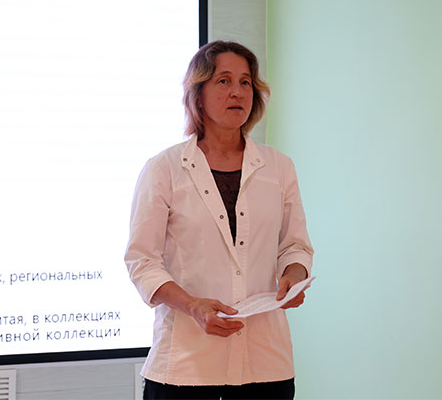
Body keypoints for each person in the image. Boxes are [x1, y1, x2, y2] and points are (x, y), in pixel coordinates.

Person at [124, 41, 314, 400]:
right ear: (198, 95)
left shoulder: (279, 168)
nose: (237, 92)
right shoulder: (164, 169)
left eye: (245, 82)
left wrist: (294, 275)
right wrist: (193, 306)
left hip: (266, 366)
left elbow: (295, 246)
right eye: (223, 81)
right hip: (185, 368)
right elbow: (142, 262)